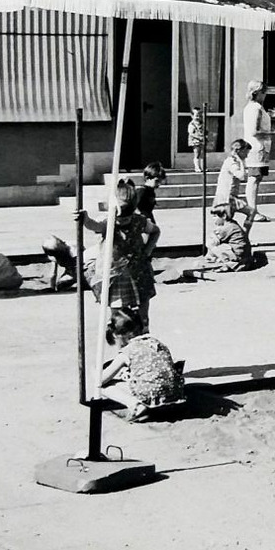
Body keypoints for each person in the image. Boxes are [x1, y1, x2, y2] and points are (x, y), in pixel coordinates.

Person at [81, 178, 160, 341]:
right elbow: (93, 225)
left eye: (128, 216)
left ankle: (144, 333)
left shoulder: (139, 221)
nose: (124, 220)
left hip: (138, 271)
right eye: (121, 217)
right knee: (119, 313)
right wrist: (85, 218)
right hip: (115, 276)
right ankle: (121, 342)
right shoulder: (108, 222)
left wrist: (147, 251)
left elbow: (155, 231)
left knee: (143, 305)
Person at [100, 310, 186, 421]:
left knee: (102, 387)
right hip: (175, 394)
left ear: (118, 335)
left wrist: (96, 373)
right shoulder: (157, 343)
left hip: (151, 394)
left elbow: (101, 380)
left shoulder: (127, 351)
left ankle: (135, 405)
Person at [241, 80, 273, 222]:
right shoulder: (255, 108)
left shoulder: (254, 107)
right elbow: (255, 130)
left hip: (259, 147)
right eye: (263, 92)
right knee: (254, 179)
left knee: (256, 179)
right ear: (257, 93)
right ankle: (252, 211)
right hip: (257, 147)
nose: (264, 95)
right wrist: (271, 133)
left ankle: (253, 210)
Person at [212, 140, 250, 225]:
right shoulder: (232, 162)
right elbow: (241, 176)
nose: (247, 155)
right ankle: (219, 236)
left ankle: (242, 236)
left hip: (230, 196)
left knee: (226, 220)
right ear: (239, 151)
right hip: (226, 197)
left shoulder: (233, 161)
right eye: (246, 152)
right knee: (224, 220)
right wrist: (241, 162)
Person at [186, 108, 207, 174]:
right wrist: (198, 137)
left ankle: (203, 167)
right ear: (192, 116)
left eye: (200, 116)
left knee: (203, 154)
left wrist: (205, 135)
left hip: (202, 140)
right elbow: (191, 133)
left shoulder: (202, 123)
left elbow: (205, 131)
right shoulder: (192, 124)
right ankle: (197, 167)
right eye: (196, 115)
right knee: (197, 153)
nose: (198, 117)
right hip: (195, 140)